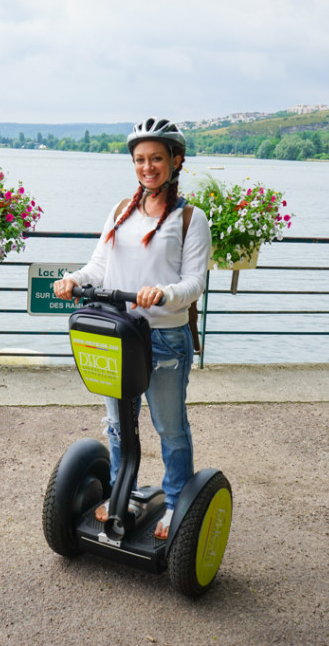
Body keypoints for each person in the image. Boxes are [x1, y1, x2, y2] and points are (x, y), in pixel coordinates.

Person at [52, 117, 211, 540]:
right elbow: (98, 266)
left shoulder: (191, 219)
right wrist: (74, 280)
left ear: (175, 161)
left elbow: (195, 282)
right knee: (119, 423)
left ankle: (176, 501)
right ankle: (122, 491)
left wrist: (163, 293)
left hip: (164, 335)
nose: (148, 167)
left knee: (169, 427)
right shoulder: (121, 211)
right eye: (140, 159)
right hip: (118, 333)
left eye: (157, 158)